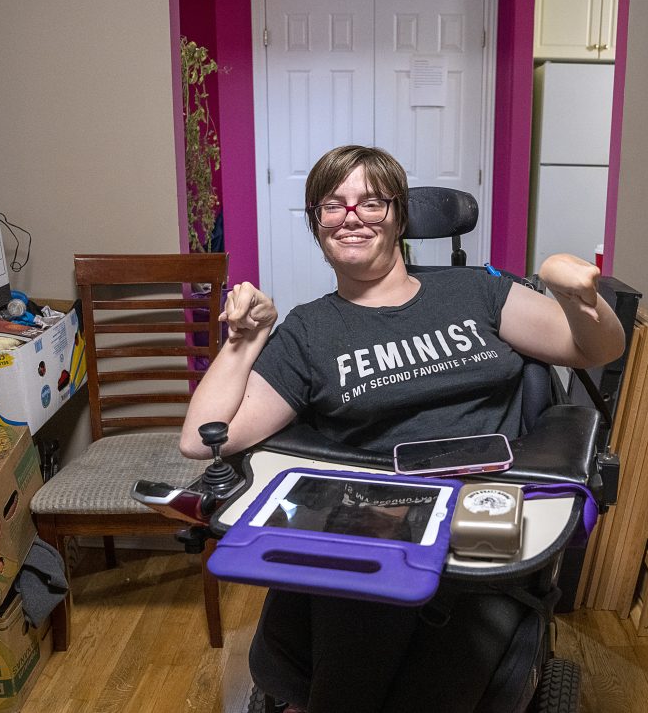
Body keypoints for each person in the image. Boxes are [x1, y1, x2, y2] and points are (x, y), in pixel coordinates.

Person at [180, 145, 625, 712]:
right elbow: (203, 438)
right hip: (372, 516)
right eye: (333, 204)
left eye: (371, 201)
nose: (352, 216)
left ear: (399, 215)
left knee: (435, 671)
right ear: (317, 221)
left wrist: (576, 295)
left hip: (480, 508)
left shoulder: (478, 292)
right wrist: (246, 339)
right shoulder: (309, 331)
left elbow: (597, 349)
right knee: (360, 622)